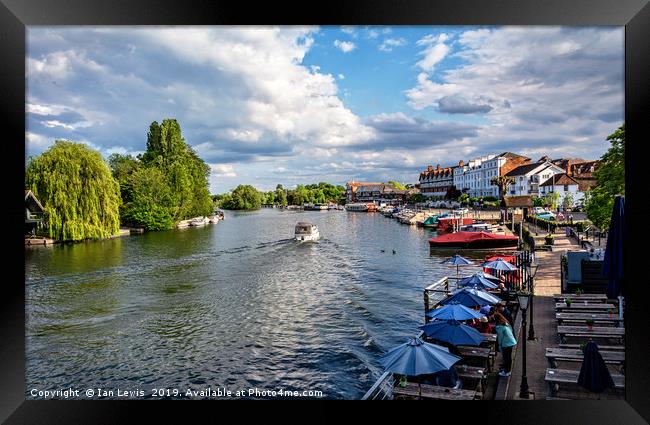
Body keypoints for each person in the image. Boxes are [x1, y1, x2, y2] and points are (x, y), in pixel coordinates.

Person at [494, 312, 517, 377]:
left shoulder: (499, 327)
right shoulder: (506, 323)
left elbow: (500, 337)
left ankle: (506, 371)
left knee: (506, 357)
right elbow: (511, 330)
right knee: (509, 357)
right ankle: (508, 370)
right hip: (511, 341)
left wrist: (499, 344)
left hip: (506, 343)